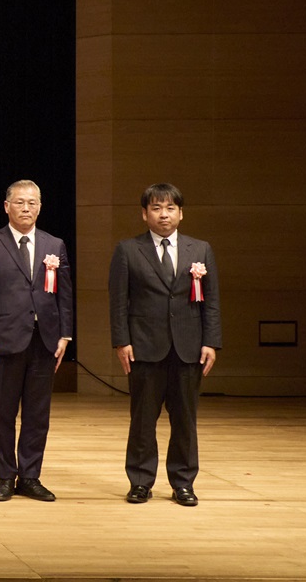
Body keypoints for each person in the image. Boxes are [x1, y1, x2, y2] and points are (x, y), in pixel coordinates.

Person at [110, 183, 221, 507]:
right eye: (156, 208)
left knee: (186, 420)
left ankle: (183, 483)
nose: (164, 214)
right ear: (145, 214)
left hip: (189, 348)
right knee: (143, 419)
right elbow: (119, 301)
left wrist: (211, 342)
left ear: (181, 213)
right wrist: (121, 341)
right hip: (144, 347)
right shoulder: (128, 250)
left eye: (170, 208)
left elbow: (211, 302)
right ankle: (141, 481)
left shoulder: (200, 250)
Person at [0, 180, 73, 502]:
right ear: (6, 206)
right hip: (2, 341)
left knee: (37, 414)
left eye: (32, 202)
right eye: (19, 202)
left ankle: (30, 476)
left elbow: (64, 294)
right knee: (3, 413)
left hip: (44, 341)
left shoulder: (54, 244)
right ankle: (4, 476)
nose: (26, 208)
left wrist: (65, 334)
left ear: (40, 207)